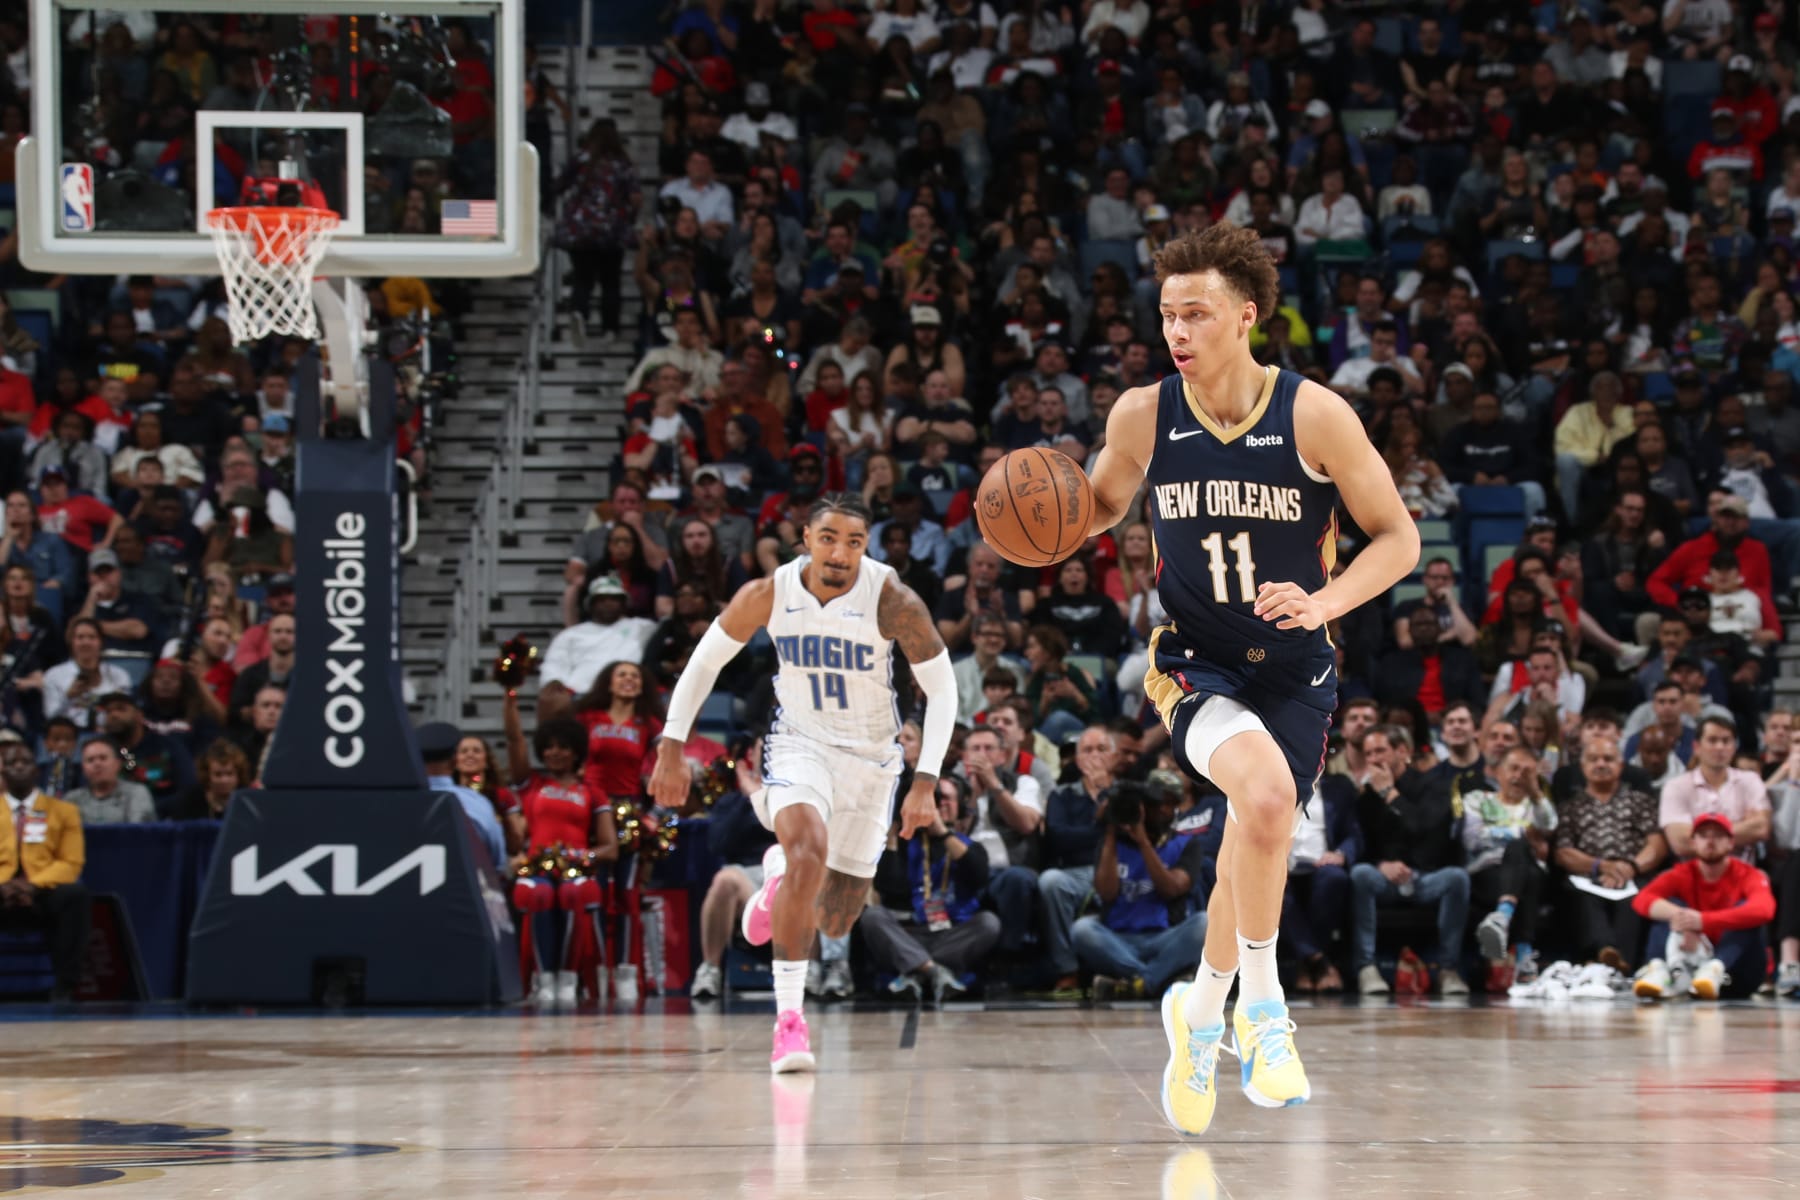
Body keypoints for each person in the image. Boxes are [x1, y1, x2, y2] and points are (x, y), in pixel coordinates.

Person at [1078, 223, 1420, 1132]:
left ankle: (1198, 1016)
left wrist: (1326, 600)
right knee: (1265, 799)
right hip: (1195, 660)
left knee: (1251, 844)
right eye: (1167, 314)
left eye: (1195, 313)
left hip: (1296, 667)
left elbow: (1399, 539)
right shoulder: (1143, 414)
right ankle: (1264, 1012)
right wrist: (1044, 518)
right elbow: (1100, 506)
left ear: (1246, 316)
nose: (1176, 330)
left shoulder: (1314, 415)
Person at [649, 493, 959, 1074]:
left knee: (836, 918)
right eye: (829, 538)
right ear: (806, 539)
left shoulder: (891, 598)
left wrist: (925, 780)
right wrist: (671, 745)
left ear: (866, 547)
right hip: (800, 742)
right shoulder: (770, 592)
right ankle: (789, 1023)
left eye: (854, 542)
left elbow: (942, 689)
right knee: (808, 851)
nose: (840, 553)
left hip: (872, 759)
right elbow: (704, 662)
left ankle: (775, 885)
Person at [863, 773, 1004, 1004]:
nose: (938, 804)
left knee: (989, 923)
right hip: (909, 935)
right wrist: (894, 833)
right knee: (873, 916)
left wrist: (942, 832)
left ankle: (916, 970)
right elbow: (889, 887)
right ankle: (934, 971)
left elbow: (978, 875)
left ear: (960, 806)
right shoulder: (905, 843)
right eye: (933, 799)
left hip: (952, 935)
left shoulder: (969, 845)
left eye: (946, 798)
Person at [1073, 780, 1210, 999]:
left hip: (1165, 937)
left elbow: (1171, 889)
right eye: (1156, 805)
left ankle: (1136, 983)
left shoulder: (1185, 844)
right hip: (1118, 939)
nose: (1162, 810)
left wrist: (1143, 842)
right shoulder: (1112, 845)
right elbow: (1106, 893)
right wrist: (1111, 831)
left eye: (1168, 804)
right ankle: (1157, 980)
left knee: (1204, 923)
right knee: (1082, 930)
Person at [1630, 812, 1774, 1000]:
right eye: (1704, 835)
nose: (1710, 841)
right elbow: (1641, 900)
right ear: (1693, 843)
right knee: (1670, 907)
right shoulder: (1681, 873)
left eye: (1718, 836)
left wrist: (1703, 921)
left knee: (1747, 913)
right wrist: (1684, 918)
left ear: (1731, 843)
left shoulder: (1748, 874)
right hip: (1690, 962)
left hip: (1738, 974)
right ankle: (1658, 969)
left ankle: (1714, 969)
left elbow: (1764, 910)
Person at [0, 739, 92, 1001]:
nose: (19, 767)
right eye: (12, 762)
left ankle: (64, 987)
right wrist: (5, 886)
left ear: (36, 770)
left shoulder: (64, 811)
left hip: (43, 892)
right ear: (3, 771)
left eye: (25, 761)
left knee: (75, 895)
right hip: (1, 890)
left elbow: (71, 862)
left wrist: (32, 885)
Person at [1464, 746, 1556, 987]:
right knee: (1522, 854)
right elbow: (1472, 839)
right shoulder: (1477, 799)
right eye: (1513, 769)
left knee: (1528, 869)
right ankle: (1524, 958)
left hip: (1530, 877)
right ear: (1498, 772)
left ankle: (1502, 917)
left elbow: (1550, 826)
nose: (1518, 776)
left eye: (1527, 772)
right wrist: (1522, 833)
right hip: (1487, 874)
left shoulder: (1535, 805)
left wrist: (1536, 792)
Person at [416, 722, 507, 869]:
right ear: (454, 761)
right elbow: (497, 859)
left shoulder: (395, 802)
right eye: (464, 751)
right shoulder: (477, 804)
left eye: (477, 751)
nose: (470, 755)